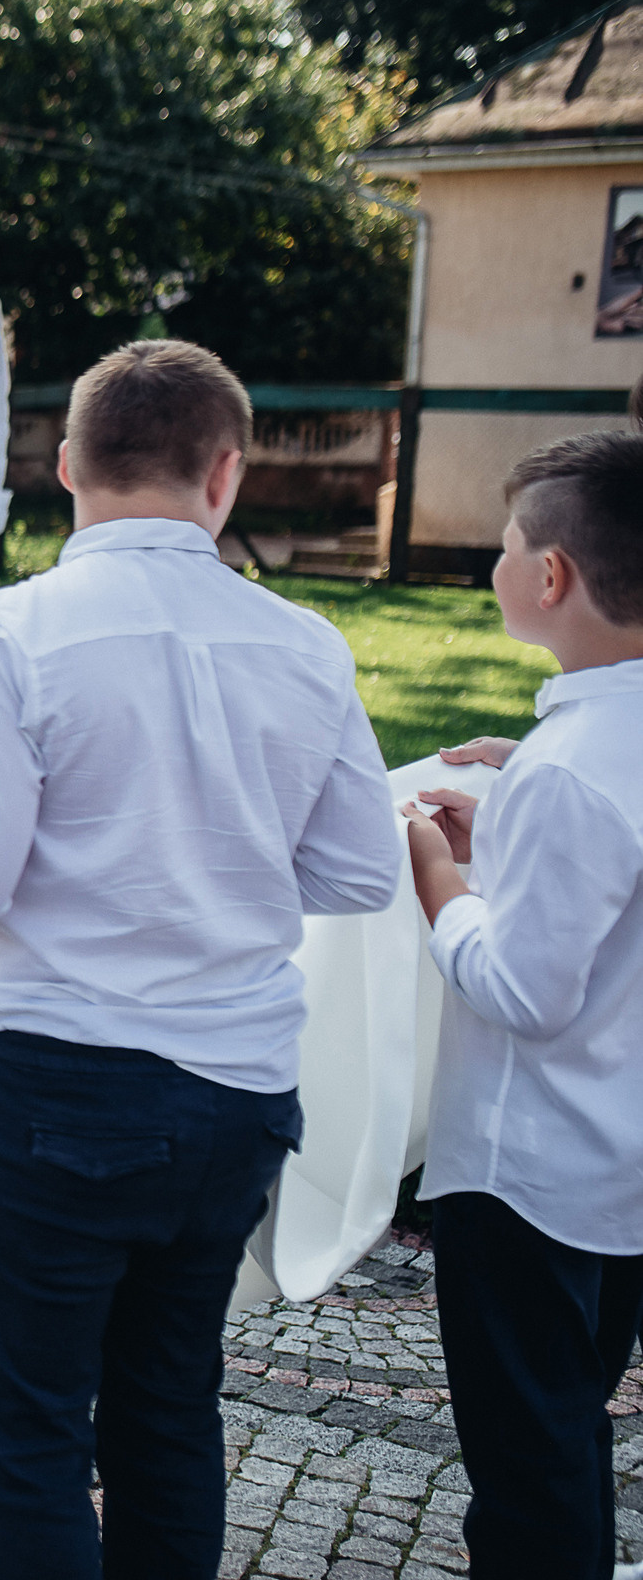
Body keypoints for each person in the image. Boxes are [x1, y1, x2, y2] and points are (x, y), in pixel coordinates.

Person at [0, 339, 401, 1580]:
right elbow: (362, 874)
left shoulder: (12, 635)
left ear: (66, 465)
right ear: (226, 475)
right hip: (233, 1098)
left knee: (31, 1439)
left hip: (55, 1096)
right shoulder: (308, 645)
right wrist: (217, 858)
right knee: (170, 1413)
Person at [398, 431, 643, 1580]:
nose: (497, 564)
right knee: (571, 1418)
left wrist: (440, 885)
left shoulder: (570, 762)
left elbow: (527, 988)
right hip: (622, 1159)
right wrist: (504, 831)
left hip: (526, 1169)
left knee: (529, 1459)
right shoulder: (596, 752)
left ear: (550, 577)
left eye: (505, 546)